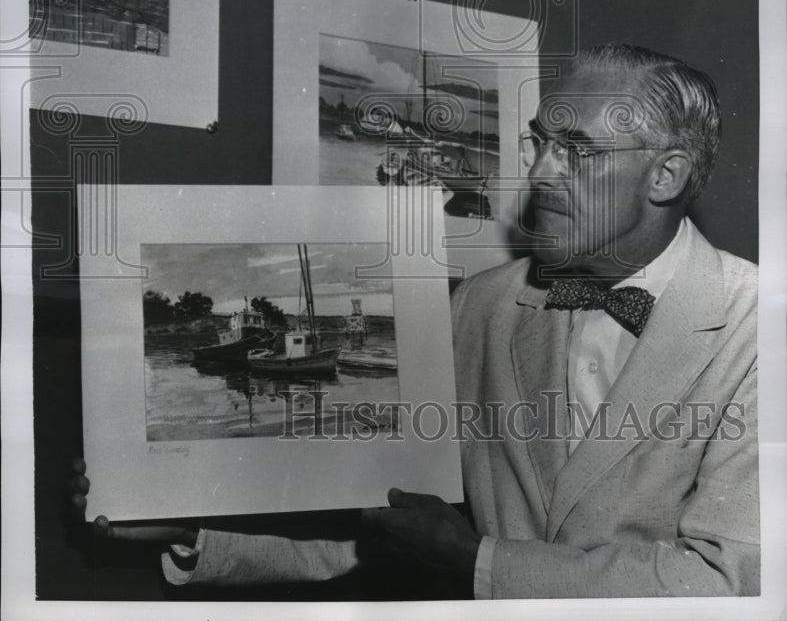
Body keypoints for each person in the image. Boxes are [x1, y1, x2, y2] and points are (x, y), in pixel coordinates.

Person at [71, 44, 759, 598]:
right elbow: (392, 515)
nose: (541, 173)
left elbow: (729, 581)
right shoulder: (481, 306)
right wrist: (184, 525)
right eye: (538, 143)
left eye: (576, 151)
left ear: (665, 175)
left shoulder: (759, 328)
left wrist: (477, 564)